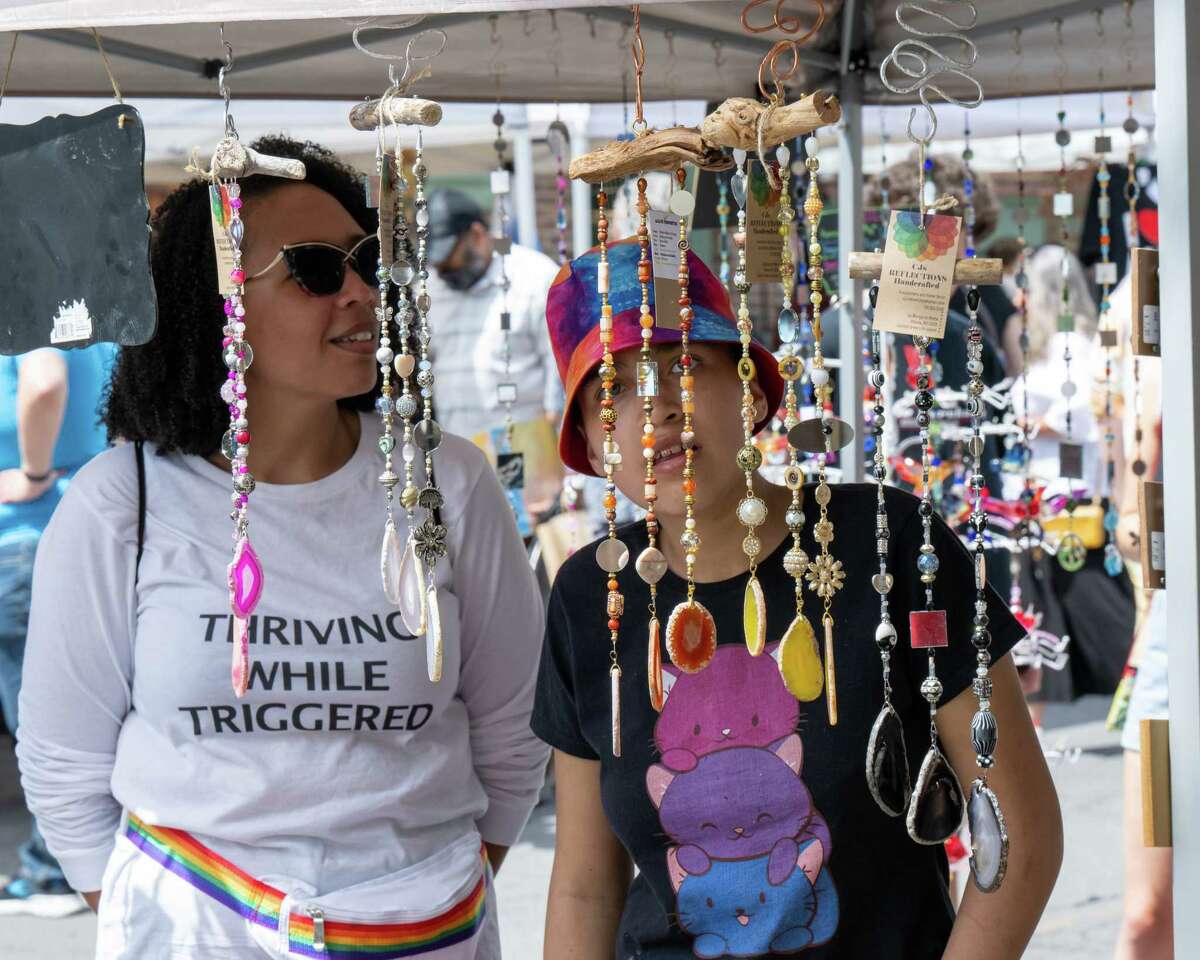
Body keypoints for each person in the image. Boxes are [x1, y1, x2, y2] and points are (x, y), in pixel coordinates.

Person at [16, 137, 547, 959]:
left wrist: (421, 907)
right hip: (191, 928)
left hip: (422, 929)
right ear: (219, 299)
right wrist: (160, 916)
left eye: (365, 261)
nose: (363, 292)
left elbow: (514, 734)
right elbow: (63, 765)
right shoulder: (121, 501)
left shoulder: (447, 480)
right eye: (316, 269)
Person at [533, 240, 1062, 958]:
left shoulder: (891, 541)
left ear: (749, 389)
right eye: (612, 392)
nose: (654, 410)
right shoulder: (590, 595)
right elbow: (584, 886)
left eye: (683, 366)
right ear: (594, 447)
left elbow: (1020, 838)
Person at [0, 341, 113, 916]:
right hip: (76, 520)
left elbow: (44, 381)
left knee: (42, 725)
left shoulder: (25, 297)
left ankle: (53, 873)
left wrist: (30, 471)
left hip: (25, 529)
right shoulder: (87, 305)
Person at [1004, 245, 1133, 708]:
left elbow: (1086, 417)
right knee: (1061, 587)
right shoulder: (1059, 344)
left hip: (1065, 490)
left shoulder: (1071, 346)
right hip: (1049, 486)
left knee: (1082, 586)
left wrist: (1033, 425)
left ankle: (1114, 672)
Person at [425, 189, 563, 498]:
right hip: (456, 444)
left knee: (521, 536)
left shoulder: (533, 276)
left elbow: (558, 370)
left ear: (477, 235)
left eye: (450, 258)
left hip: (522, 444)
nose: (443, 270)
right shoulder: (432, 285)